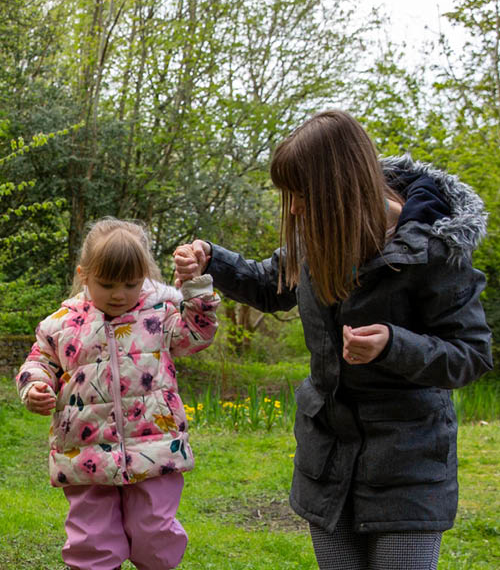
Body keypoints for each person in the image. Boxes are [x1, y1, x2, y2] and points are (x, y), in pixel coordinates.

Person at [173, 110, 493, 570]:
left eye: (301, 195)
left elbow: (471, 354)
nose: (296, 209)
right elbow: (269, 285)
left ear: (339, 187)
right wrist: (212, 259)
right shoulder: (318, 234)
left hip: (408, 467)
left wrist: (393, 345)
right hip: (326, 459)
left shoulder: (432, 250)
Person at [16, 217, 220, 570]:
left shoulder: (159, 314)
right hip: (85, 452)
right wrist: (35, 385)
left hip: (154, 448)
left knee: (155, 534)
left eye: (131, 283)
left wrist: (195, 289)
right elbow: (40, 361)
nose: (120, 294)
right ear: (84, 275)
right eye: (107, 284)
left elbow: (196, 336)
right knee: (92, 541)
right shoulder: (62, 323)